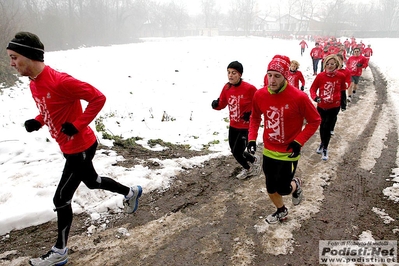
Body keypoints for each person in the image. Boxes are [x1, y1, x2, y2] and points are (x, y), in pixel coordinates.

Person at [6, 32, 143, 266]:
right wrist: (39, 120)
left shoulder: (61, 81)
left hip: (79, 146)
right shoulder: (35, 83)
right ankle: (131, 192)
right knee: (92, 181)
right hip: (70, 146)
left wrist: (77, 124)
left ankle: (60, 251)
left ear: (29, 56)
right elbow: (51, 107)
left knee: (61, 198)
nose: (11, 63)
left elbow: (98, 98)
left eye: (14, 57)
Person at [248, 55, 321, 224]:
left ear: (285, 76)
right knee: (270, 187)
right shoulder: (260, 95)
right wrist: (252, 139)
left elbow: (315, 120)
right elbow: (255, 118)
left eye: (277, 76)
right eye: (269, 75)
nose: (272, 80)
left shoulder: (299, 97)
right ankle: (281, 210)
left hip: (289, 151)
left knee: (284, 188)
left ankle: (296, 184)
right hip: (269, 149)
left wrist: (299, 141)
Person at [211, 61, 260, 180]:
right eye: (228, 72)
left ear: (240, 74)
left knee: (237, 152)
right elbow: (222, 103)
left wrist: (251, 114)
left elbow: (259, 103)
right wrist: (215, 105)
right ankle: (253, 160)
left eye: (234, 73)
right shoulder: (227, 87)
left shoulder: (250, 88)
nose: (230, 75)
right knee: (234, 150)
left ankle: (249, 169)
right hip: (233, 125)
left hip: (245, 126)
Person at [309, 54, 347, 161]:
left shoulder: (341, 76)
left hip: (334, 106)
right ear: (325, 64)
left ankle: (325, 148)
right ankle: (322, 142)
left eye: (332, 64)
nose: (330, 66)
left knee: (328, 126)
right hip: (322, 106)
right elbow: (312, 89)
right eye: (328, 64)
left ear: (336, 65)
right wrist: (315, 98)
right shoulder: (320, 76)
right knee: (322, 126)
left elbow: (343, 90)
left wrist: (343, 104)